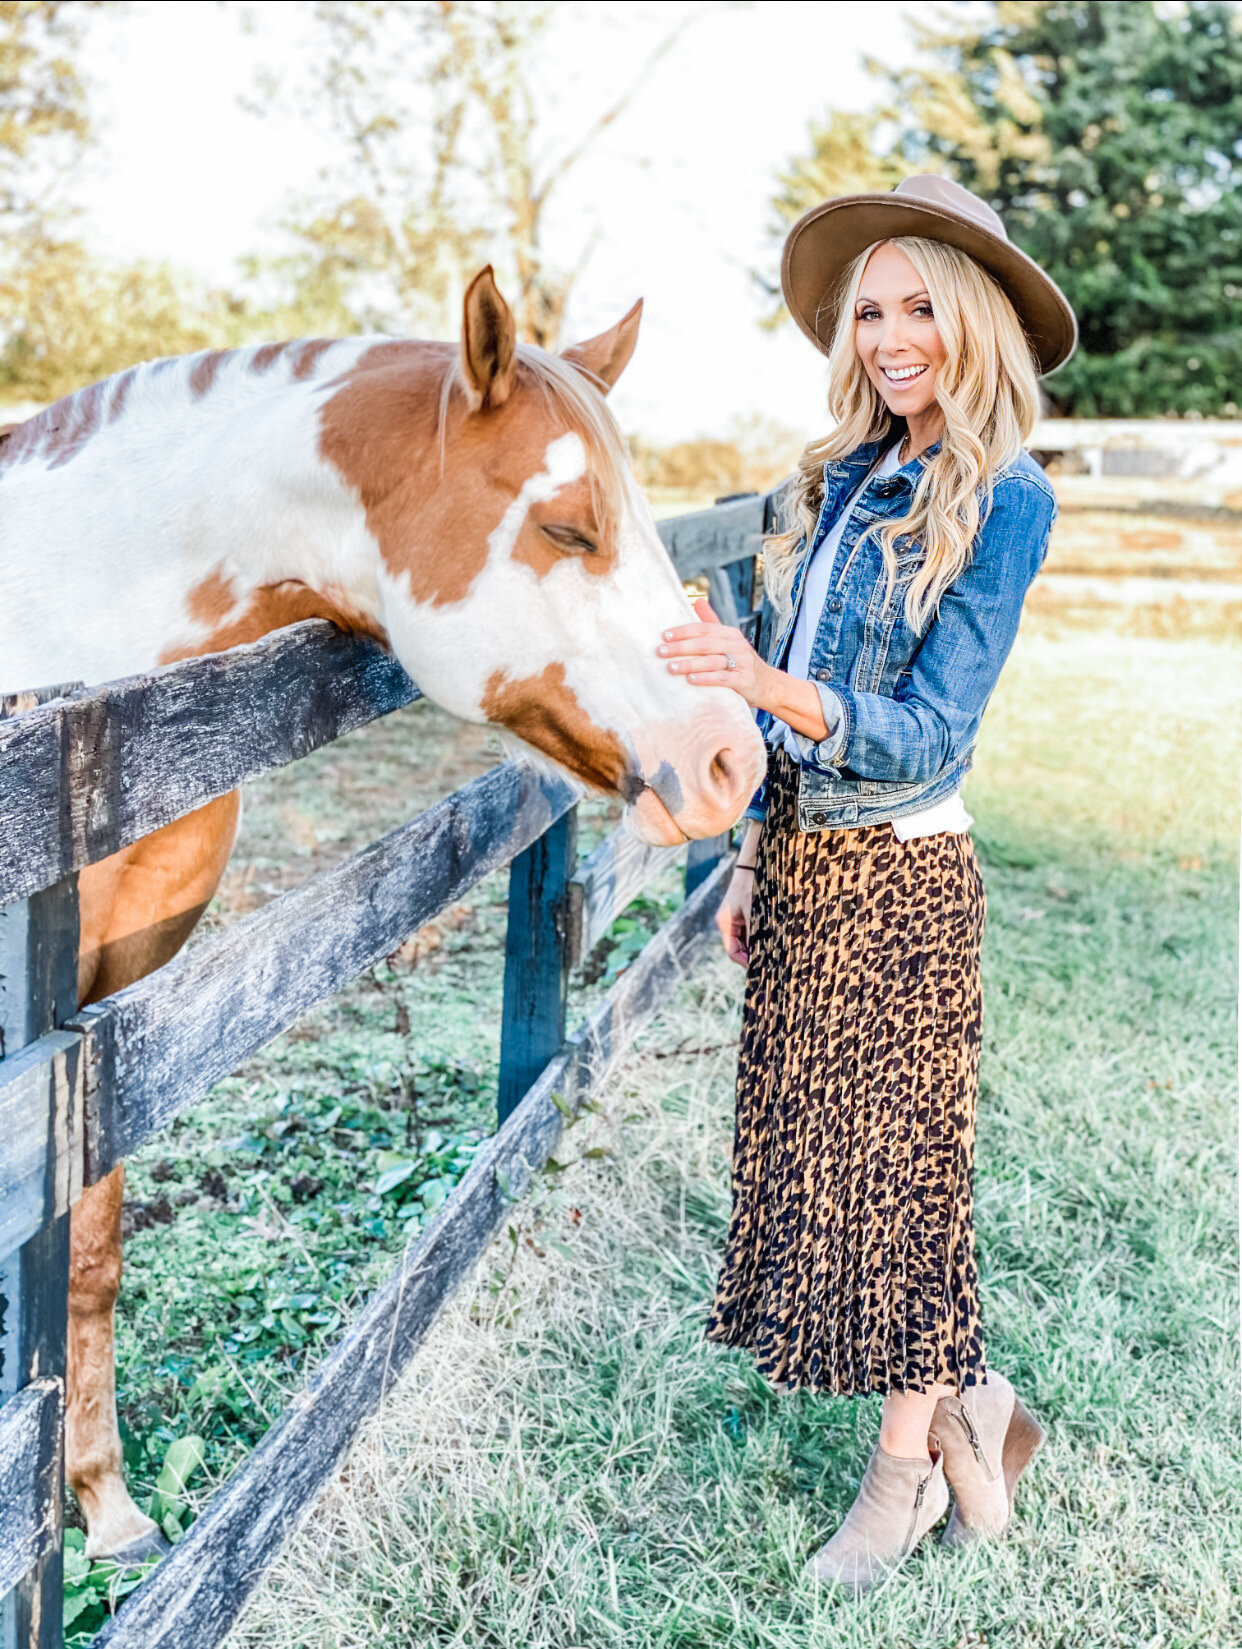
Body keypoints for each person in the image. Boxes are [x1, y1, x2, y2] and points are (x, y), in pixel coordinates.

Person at [656, 173, 1077, 1594]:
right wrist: (748, 853)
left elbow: (928, 727)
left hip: (904, 878)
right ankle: (979, 1415)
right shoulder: (827, 480)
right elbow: (776, 706)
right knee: (828, 1173)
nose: (893, 336)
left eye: (920, 309)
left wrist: (762, 677)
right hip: (806, 870)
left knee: (902, 1189)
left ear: (968, 324)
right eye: (872, 311)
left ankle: (901, 1479)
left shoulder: (1004, 499)